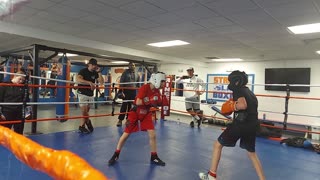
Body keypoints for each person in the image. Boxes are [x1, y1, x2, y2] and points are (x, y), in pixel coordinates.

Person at [199, 70, 265, 180]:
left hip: (240, 125)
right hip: (252, 126)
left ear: (236, 81)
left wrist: (232, 106)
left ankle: (211, 176)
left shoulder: (238, 90)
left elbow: (243, 105)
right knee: (252, 153)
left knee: (217, 145)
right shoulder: (251, 93)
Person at [108, 72, 168, 166]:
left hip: (146, 113)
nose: (164, 84)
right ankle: (116, 154)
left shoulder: (157, 91)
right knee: (126, 134)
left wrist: (161, 102)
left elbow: (156, 103)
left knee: (152, 135)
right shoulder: (145, 88)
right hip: (135, 112)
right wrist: (150, 99)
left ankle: (154, 157)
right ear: (156, 80)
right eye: (163, 81)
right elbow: (139, 102)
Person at [76, 58, 104, 134]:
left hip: (90, 94)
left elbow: (101, 82)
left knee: (85, 112)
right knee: (84, 111)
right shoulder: (83, 71)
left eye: (95, 65)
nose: (94, 67)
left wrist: (99, 73)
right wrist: (89, 82)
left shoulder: (95, 73)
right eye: (93, 65)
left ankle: (81, 126)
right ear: (89, 64)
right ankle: (88, 123)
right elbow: (78, 79)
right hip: (82, 93)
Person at [116, 62, 136, 127]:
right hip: (126, 91)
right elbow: (121, 82)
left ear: (134, 66)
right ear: (128, 66)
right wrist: (121, 91)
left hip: (133, 91)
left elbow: (138, 84)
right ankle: (120, 120)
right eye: (130, 65)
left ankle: (128, 119)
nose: (132, 66)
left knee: (131, 106)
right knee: (124, 105)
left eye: (133, 65)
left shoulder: (137, 74)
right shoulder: (125, 73)